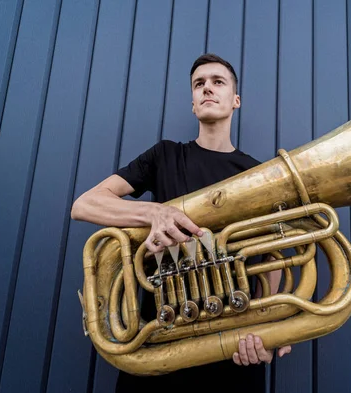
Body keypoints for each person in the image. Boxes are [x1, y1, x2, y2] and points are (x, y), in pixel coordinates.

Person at [71, 53, 291, 392]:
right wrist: (153, 212)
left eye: (218, 82)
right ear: (192, 104)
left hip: (232, 348)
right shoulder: (166, 155)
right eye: (199, 84)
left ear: (235, 100)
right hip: (160, 337)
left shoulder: (258, 175)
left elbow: (271, 256)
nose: (207, 89)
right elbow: (85, 204)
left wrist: (269, 326)